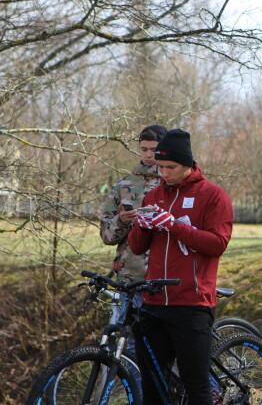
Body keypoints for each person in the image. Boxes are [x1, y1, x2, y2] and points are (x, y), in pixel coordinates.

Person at [129, 128, 233, 405]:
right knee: (153, 385)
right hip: (153, 302)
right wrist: (141, 224)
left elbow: (218, 244)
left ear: (187, 164)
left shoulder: (213, 195)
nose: (163, 173)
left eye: (170, 167)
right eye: (160, 167)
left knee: (196, 384)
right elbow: (138, 247)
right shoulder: (153, 197)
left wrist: (173, 226)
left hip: (191, 303)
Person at [100, 124, 168, 282]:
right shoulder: (123, 186)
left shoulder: (174, 183)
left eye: (154, 149)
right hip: (130, 276)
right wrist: (121, 221)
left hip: (166, 275)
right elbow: (106, 236)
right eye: (144, 149)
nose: (149, 155)